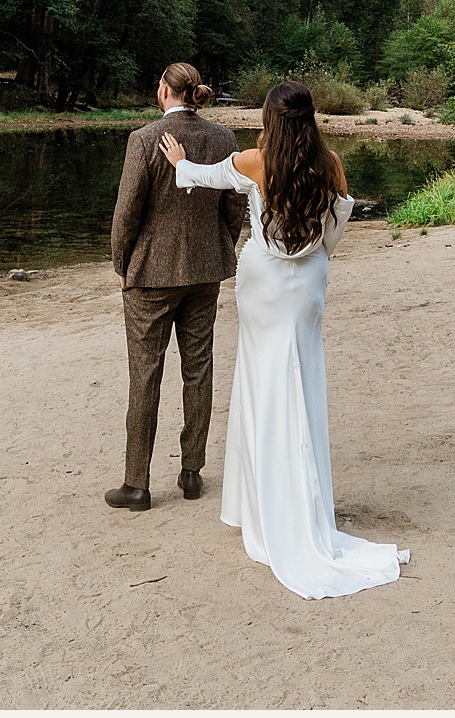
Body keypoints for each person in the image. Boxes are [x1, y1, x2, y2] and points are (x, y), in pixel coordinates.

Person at [160, 79, 410, 599]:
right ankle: (305, 506)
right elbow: (336, 231)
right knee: (304, 379)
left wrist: (179, 160)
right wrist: (312, 254)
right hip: (308, 285)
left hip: (264, 285)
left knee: (262, 383)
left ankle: (261, 507)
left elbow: (203, 178)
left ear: (271, 119)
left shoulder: (255, 162)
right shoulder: (331, 164)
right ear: (310, 118)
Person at [106, 63, 247, 512]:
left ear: (163, 90)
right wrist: (221, 244)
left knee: (145, 376)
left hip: (151, 275)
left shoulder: (144, 140)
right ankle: (192, 472)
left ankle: (136, 484)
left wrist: (122, 263)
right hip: (205, 271)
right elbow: (235, 202)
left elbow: (126, 213)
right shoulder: (223, 139)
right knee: (198, 368)